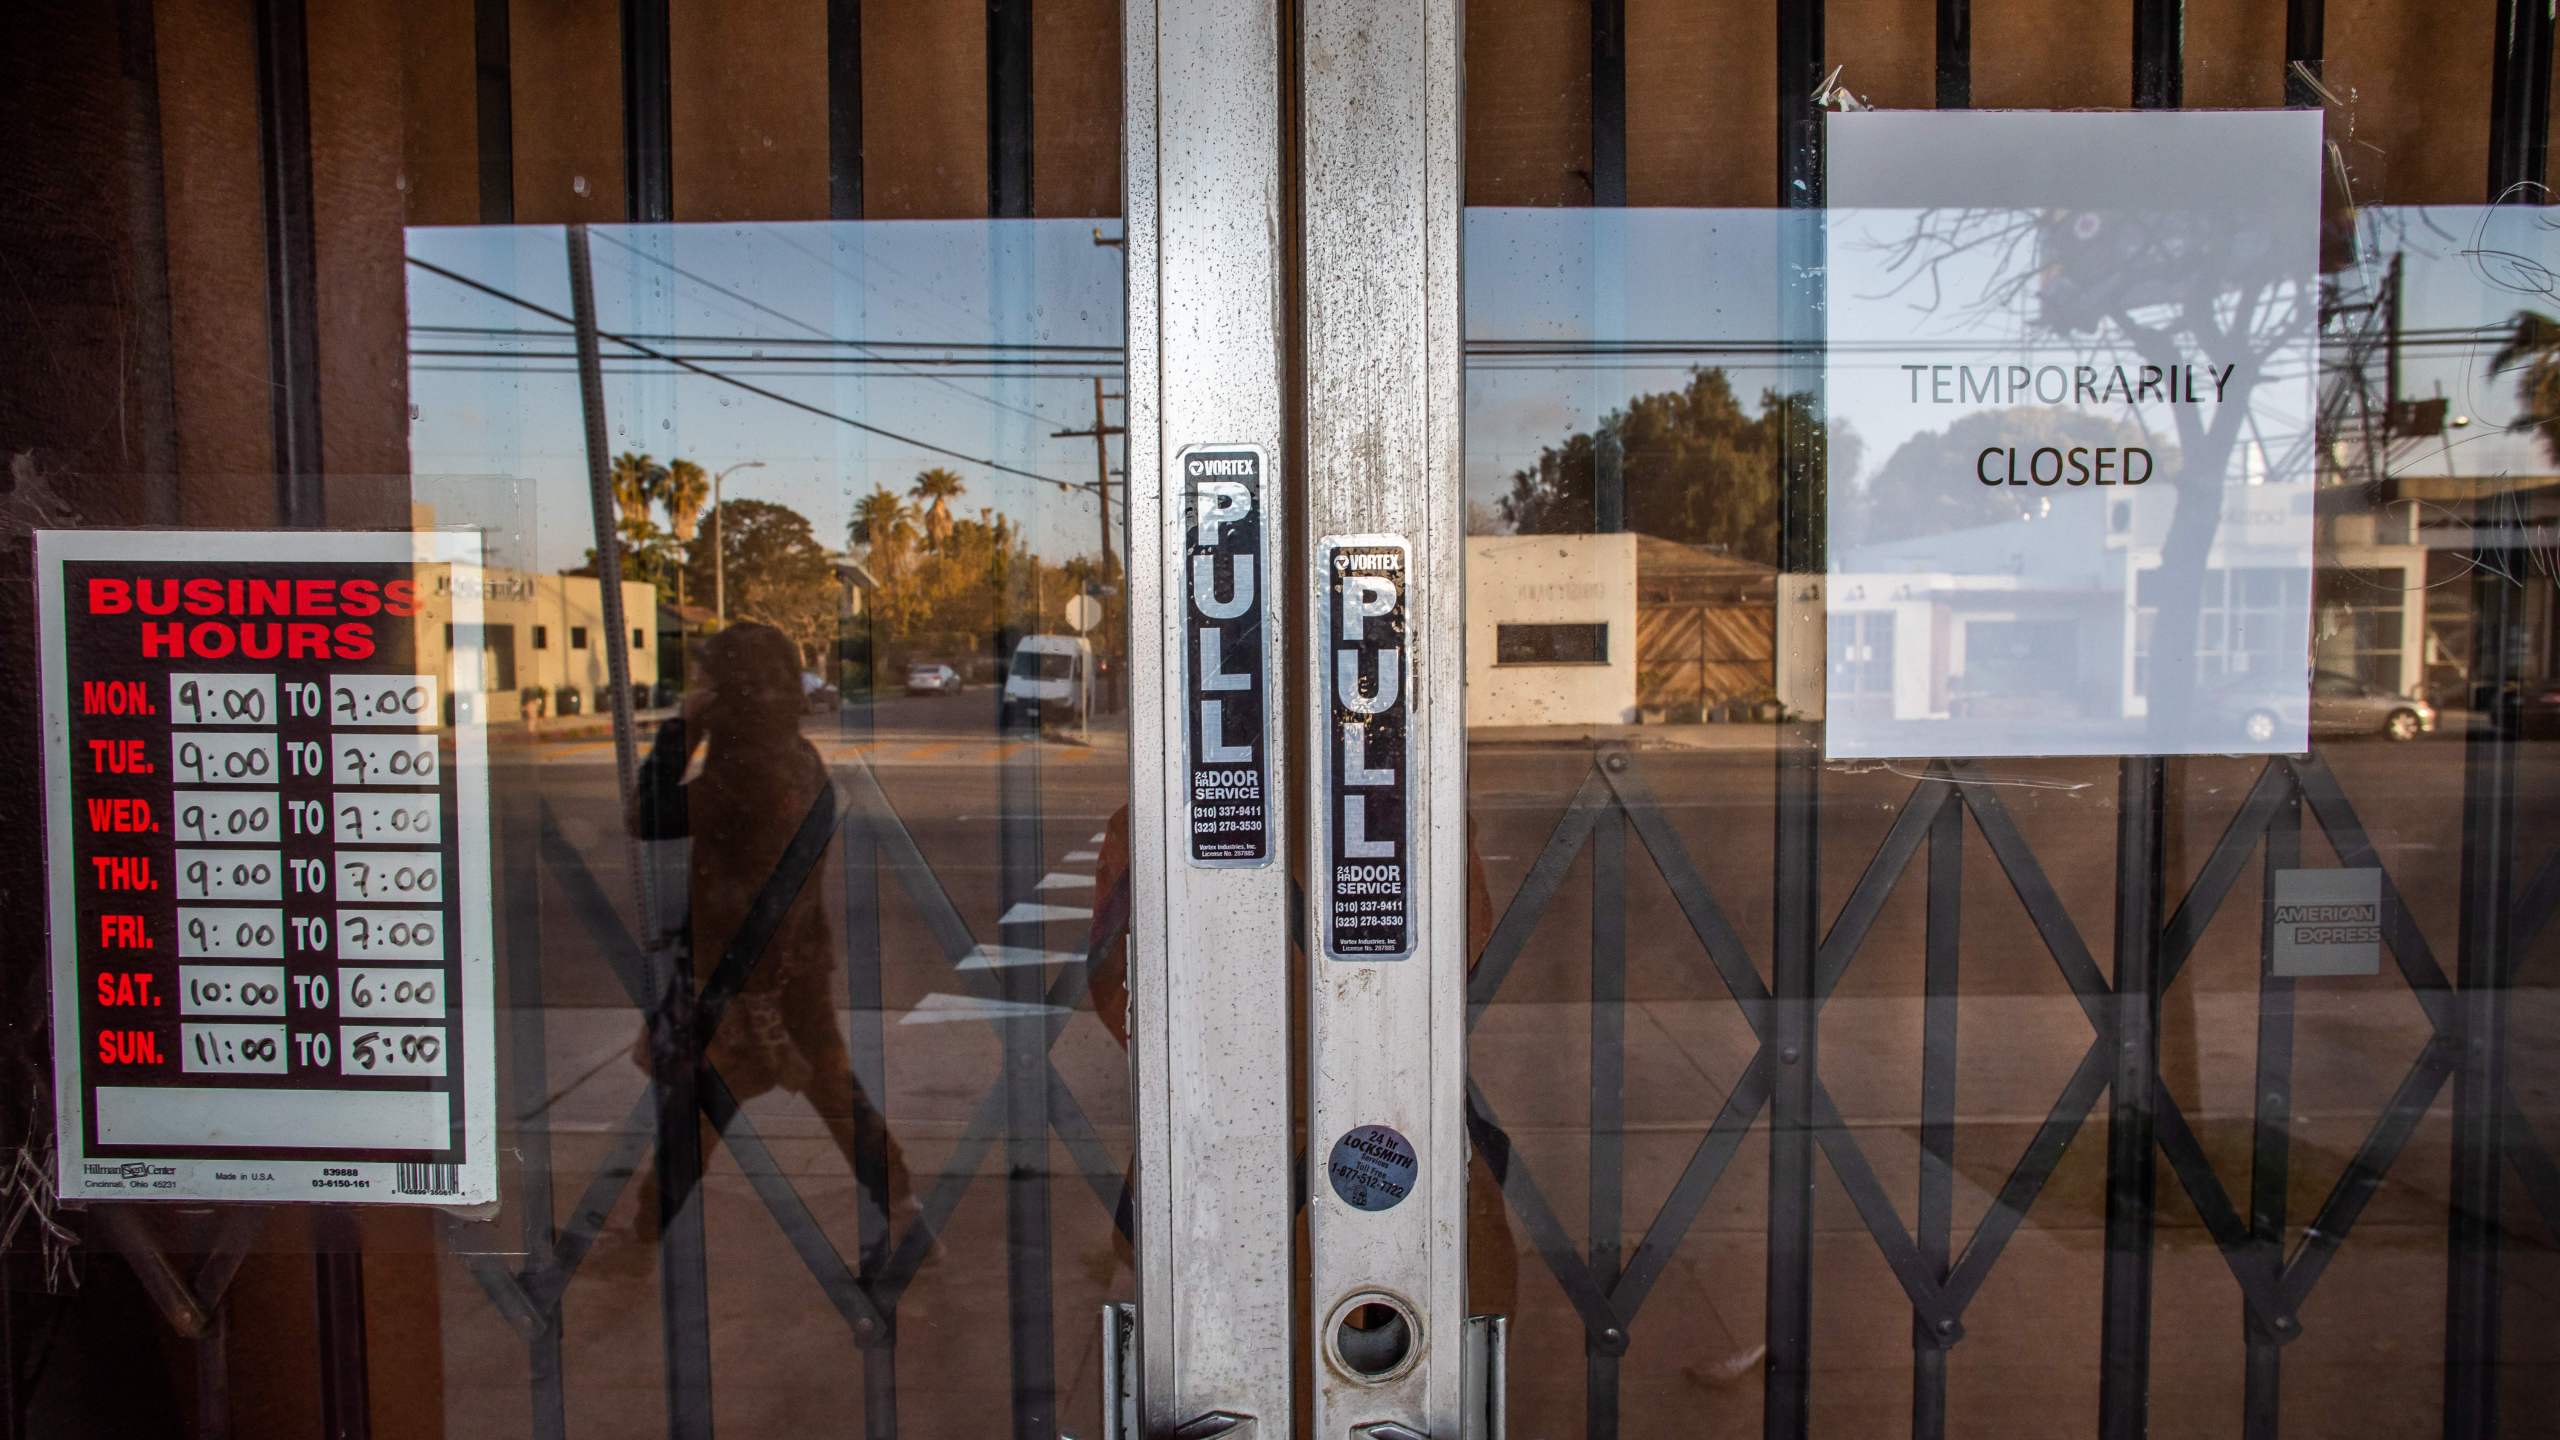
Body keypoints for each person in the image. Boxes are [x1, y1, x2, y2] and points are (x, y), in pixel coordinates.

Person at [621, 622, 917, 1268]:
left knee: (714, 1110)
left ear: (734, 690)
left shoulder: (743, 769)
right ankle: (905, 1218)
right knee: (812, 1101)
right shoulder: (794, 754)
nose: (701, 690)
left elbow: (644, 815)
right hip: (786, 971)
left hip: (750, 982)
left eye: (710, 682)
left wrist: (682, 730)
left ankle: (643, 1233)